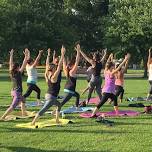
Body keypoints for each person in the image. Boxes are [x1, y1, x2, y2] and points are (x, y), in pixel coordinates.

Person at [31, 46, 66, 125]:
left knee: (59, 105)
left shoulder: (47, 75)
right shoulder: (54, 77)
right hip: (51, 97)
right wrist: (62, 54)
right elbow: (59, 66)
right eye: (55, 67)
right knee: (44, 109)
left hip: (49, 95)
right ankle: (33, 122)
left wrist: (48, 55)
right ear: (53, 69)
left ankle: (57, 119)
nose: (56, 68)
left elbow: (47, 65)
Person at [1, 49, 29, 120]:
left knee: (23, 100)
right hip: (17, 93)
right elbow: (24, 63)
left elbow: (10, 63)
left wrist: (11, 55)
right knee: (12, 106)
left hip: (13, 91)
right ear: (17, 68)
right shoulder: (19, 73)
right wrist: (26, 56)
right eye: (19, 67)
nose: (20, 67)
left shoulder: (11, 72)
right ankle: (2, 117)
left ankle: (23, 114)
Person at [61, 44, 81, 109]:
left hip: (68, 89)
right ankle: (54, 111)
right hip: (69, 91)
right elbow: (77, 61)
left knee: (77, 95)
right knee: (62, 103)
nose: (75, 66)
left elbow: (63, 62)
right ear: (71, 66)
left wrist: (63, 54)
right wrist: (78, 51)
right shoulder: (71, 72)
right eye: (73, 65)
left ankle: (77, 106)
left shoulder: (66, 71)